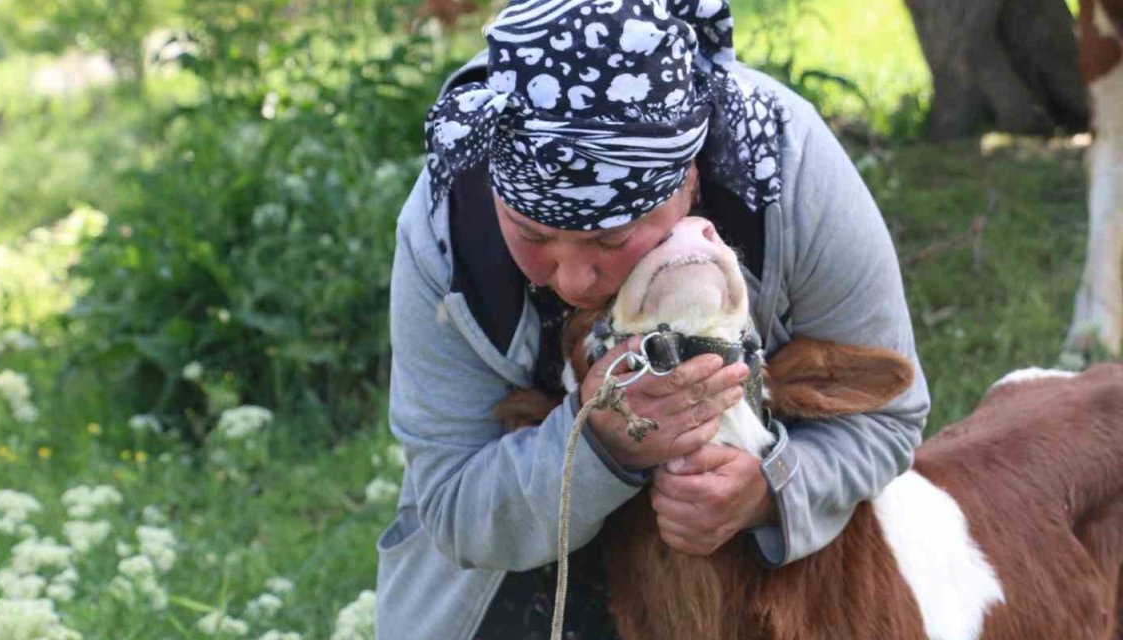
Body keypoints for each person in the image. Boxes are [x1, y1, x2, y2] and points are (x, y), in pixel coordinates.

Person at [375, 0, 930, 638]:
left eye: (611, 241)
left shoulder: (787, 168)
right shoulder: (446, 231)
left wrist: (769, 491)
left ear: (689, 181)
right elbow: (449, 501)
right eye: (531, 234)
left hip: (748, 572)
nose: (574, 277)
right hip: (514, 564)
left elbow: (889, 418)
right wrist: (599, 445)